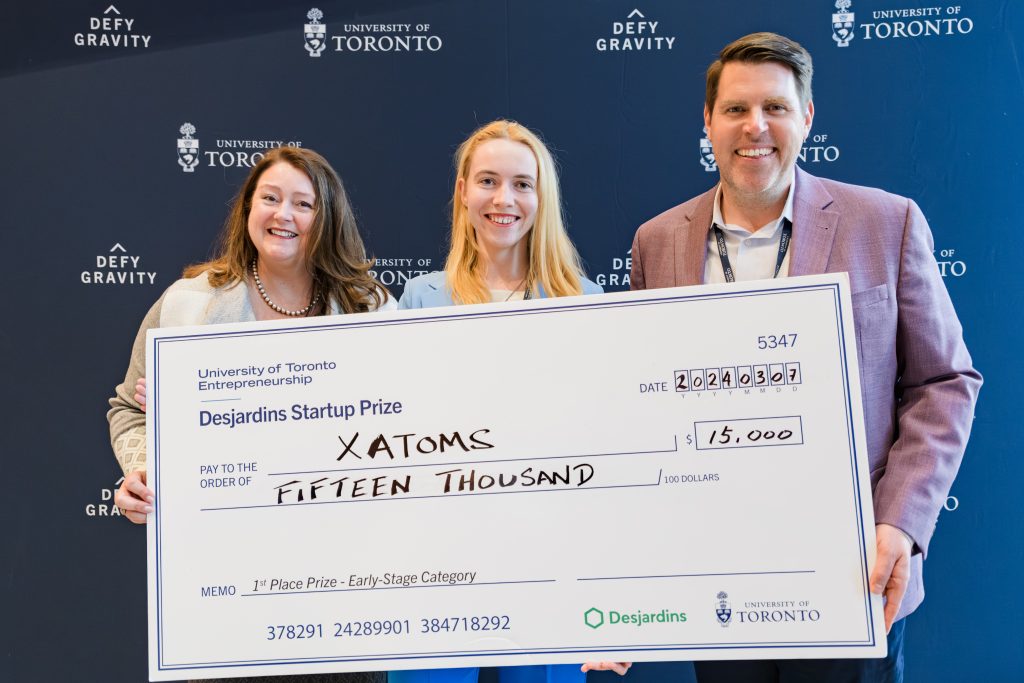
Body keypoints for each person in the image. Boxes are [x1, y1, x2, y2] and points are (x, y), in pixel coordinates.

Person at [629, 32, 981, 682]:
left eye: (776, 108)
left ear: (807, 117)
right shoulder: (657, 241)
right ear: (707, 121)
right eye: (735, 109)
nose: (754, 126)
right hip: (720, 573)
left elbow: (945, 381)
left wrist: (898, 522)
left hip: (852, 570)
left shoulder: (887, 221)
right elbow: (645, 403)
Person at [108, 146, 392, 683]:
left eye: (302, 204)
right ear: (247, 210)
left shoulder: (371, 309)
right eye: (270, 198)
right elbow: (128, 407)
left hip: (346, 590)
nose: (283, 214)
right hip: (225, 590)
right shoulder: (186, 304)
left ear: (326, 219)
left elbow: (405, 425)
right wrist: (145, 470)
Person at [393, 120, 628, 682]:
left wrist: (614, 601)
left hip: (550, 557)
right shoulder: (420, 299)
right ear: (462, 192)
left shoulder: (583, 301)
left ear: (541, 197)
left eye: (523, 184)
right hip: (436, 559)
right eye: (489, 181)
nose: (505, 199)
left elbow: (609, 454)